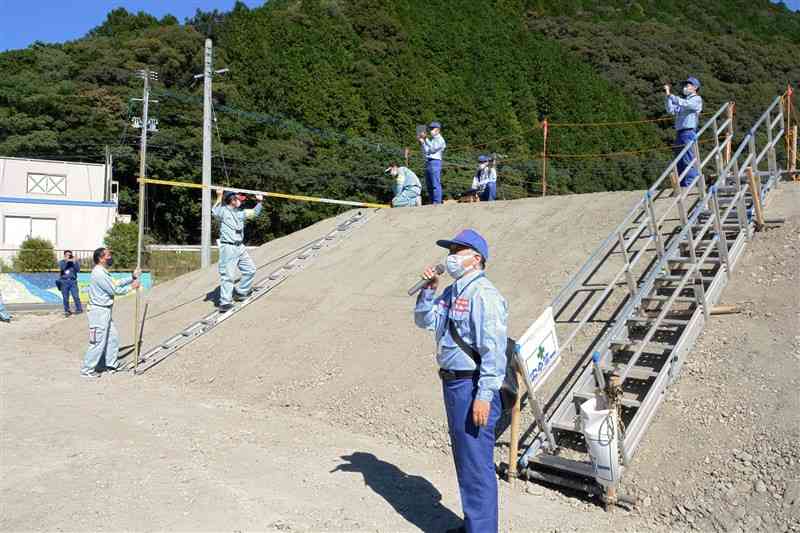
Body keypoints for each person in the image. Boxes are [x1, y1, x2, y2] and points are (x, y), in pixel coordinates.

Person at [414, 229, 508, 533]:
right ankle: (473, 526)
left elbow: (493, 351)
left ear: (475, 259)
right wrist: (428, 290)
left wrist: (484, 395)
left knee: (477, 464)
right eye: (450, 251)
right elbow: (426, 321)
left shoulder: (485, 296)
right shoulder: (453, 292)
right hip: (454, 386)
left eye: (458, 251)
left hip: (473, 386)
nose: (451, 257)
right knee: (467, 461)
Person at [80, 247, 140, 378]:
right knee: (98, 342)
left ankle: (111, 364)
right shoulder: (99, 273)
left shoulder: (103, 272)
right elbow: (114, 290)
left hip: (105, 311)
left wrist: (131, 277)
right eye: (108, 255)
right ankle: (87, 370)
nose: (110, 257)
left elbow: (115, 283)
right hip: (98, 312)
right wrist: (132, 287)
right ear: (101, 258)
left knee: (113, 338)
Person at [212, 189, 263, 312]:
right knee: (228, 275)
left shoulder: (240, 213)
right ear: (232, 200)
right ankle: (225, 302)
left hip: (240, 247)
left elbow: (254, 213)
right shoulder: (223, 211)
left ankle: (241, 292)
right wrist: (219, 195)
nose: (241, 201)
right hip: (228, 247)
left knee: (250, 270)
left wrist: (259, 202)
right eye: (238, 199)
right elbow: (214, 211)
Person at [665, 76, 703, 187]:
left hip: (688, 132)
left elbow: (685, 104)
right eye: (685, 85)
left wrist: (670, 96)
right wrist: (667, 96)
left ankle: (690, 183)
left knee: (688, 158)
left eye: (688, 85)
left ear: (695, 87)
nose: (685, 87)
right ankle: (682, 184)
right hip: (680, 132)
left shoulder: (696, 99)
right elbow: (671, 110)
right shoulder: (684, 101)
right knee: (680, 159)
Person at [419, 121, 446, 204]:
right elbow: (427, 151)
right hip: (429, 162)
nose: (430, 130)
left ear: (438, 130)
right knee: (429, 184)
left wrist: (425, 139)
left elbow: (432, 149)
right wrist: (423, 143)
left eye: (432, 128)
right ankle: (432, 201)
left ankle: (437, 202)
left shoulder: (440, 140)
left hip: (435, 162)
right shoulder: (433, 139)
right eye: (430, 129)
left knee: (435, 183)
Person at [58, 250, 83, 317]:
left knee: (76, 296)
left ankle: (79, 309)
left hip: (73, 281)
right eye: (67, 255)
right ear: (64, 255)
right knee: (65, 298)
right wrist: (67, 261)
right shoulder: (61, 262)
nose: (69, 256)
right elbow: (62, 268)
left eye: (70, 255)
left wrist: (75, 262)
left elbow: (78, 270)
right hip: (64, 281)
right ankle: (67, 311)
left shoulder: (74, 262)